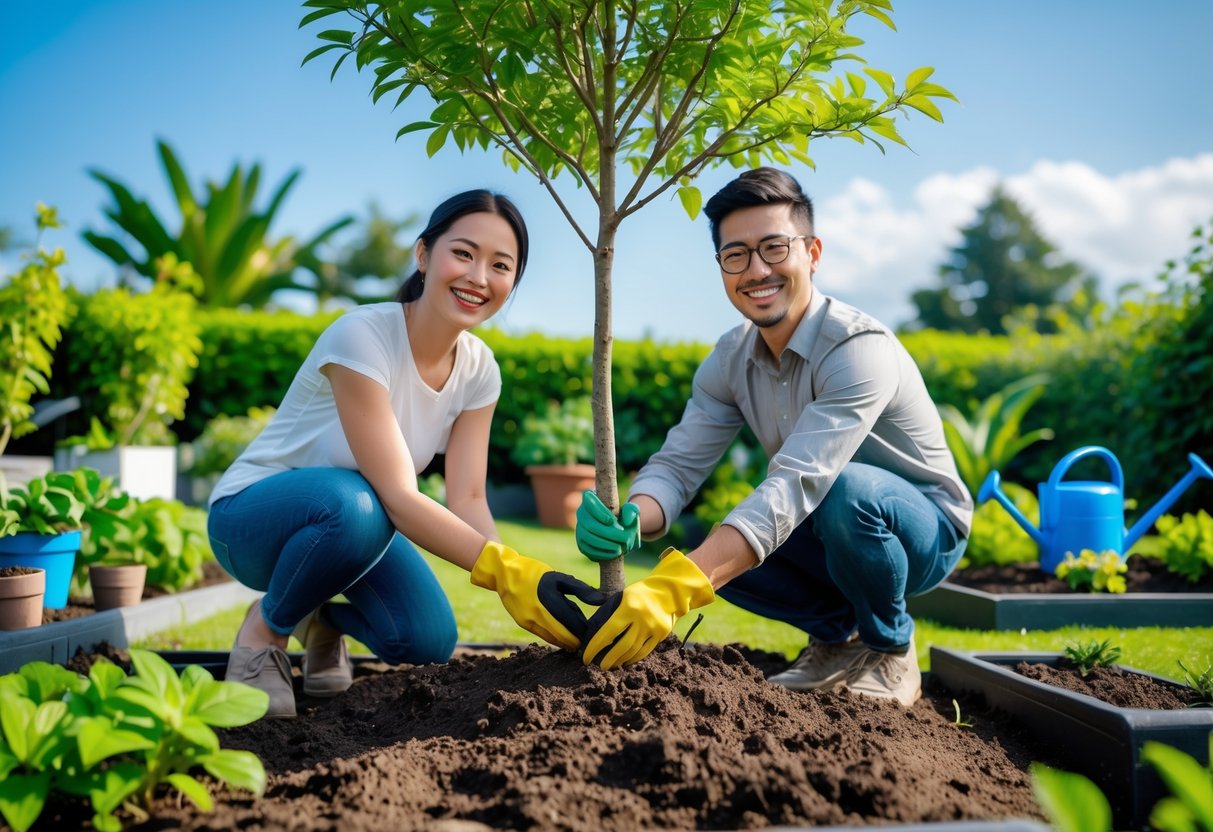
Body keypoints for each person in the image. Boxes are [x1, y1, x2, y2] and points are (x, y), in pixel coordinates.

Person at [574, 168, 972, 706]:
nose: (756, 269)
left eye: (774, 248)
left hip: (924, 528)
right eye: (735, 255)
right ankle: (838, 638)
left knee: (839, 494)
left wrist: (677, 590)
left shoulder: (858, 348)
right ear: (720, 267)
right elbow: (679, 464)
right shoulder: (730, 358)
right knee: (713, 555)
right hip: (824, 520)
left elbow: (797, 484)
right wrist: (633, 516)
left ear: (812, 252)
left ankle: (890, 647)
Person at [207, 190, 599, 718]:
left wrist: (521, 577)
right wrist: (506, 572)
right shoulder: (362, 335)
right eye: (463, 253)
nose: (479, 277)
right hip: (251, 521)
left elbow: (468, 496)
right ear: (423, 255)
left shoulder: (480, 370)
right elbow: (396, 494)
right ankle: (265, 631)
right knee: (360, 503)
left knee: (426, 639)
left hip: (351, 527)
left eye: (500, 265)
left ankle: (317, 620)